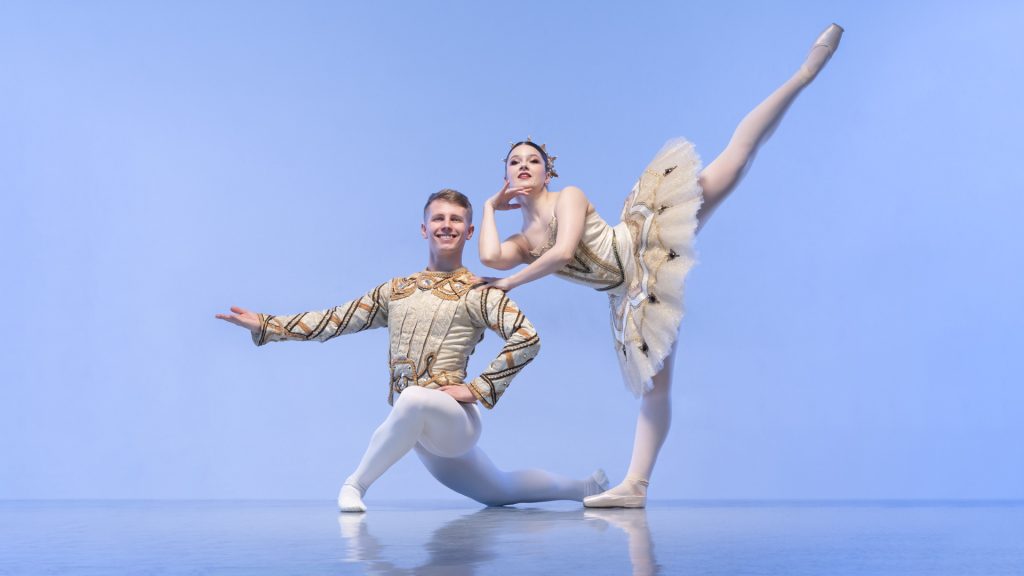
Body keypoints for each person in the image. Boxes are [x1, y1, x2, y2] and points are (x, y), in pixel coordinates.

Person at [478, 24, 844, 508]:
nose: (523, 166)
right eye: (514, 163)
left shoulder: (569, 196)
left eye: (533, 160)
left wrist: (508, 282)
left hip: (644, 240)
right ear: (506, 176)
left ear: (550, 172)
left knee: (731, 164)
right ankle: (635, 487)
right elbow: (487, 256)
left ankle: (802, 74)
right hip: (625, 294)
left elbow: (564, 253)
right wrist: (487, 207)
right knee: (655, 386)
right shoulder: (522, 239)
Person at [217, 189, 607, 512]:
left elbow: (527, 336)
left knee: (415, 397)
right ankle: (584, 488)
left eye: (456, 220)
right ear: (424, 229)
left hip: (455, 424)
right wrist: (266, 324)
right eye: (439, 219)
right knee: (499, 491)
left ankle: (355, 485)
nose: (447, 225)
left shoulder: (478, 291)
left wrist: (478, 389)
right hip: (417, 429)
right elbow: (333, 321)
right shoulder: (396, 291)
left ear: (469, 232)